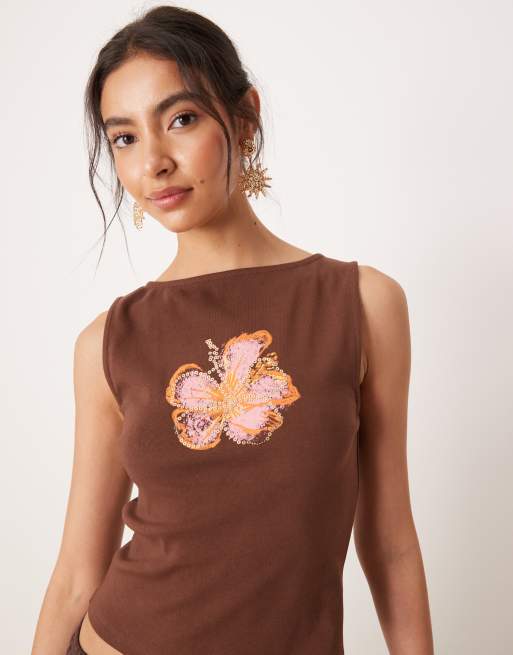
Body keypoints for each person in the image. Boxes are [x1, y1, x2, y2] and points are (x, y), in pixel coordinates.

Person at [31, 6, 434, 655]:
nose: (154, 161)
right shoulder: (107, 341)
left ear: (244, 117)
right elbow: (77, 573)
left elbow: (389, 542)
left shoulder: (362, 304)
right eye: (124, 137)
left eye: (180, 120)